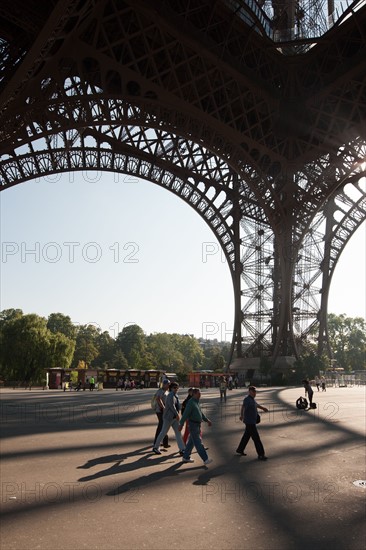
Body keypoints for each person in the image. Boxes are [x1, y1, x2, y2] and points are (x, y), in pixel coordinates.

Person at [179, 388, 212, 465]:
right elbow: (185, 414)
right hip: (193, 425)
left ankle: (185, 457)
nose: (200, 395)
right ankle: (205, 459)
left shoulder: (196, 402)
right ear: (194, 394)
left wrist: (207, 420)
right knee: (198, 442)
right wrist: (181, 424)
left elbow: (201, 413)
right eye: (198, 393)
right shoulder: (191, 403)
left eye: (200, 393)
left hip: (197, 424)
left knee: (191, 442)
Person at [236, 386, 268, 460]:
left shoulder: (252, 399)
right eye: (253, 391)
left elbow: (257, 405)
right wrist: (241, 415)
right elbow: (243, 407)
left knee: (246, 436)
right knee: (256, 438)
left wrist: (263, 408)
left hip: (252, 421)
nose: (254, 393)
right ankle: (261, 454)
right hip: (249, 422)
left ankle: (240, 449)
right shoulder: (247, 400)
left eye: (255, 391)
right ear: (249, 392)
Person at [153, 382, 185, 455]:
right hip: (168, 417)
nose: (176, 389)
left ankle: (182, 449)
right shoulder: (170, 395)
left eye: (177, 387)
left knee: (178, 433)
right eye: (174, 387)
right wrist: (177, 414)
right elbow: (171, 406)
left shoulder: (175, 395)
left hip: (174, 418)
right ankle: (156, 447)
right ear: (171, 388)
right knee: (163, 432)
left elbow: (177, 405)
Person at [153, 379, 170, 450]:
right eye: (168, 384)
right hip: (160, 410)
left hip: (164, 410)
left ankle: (164, 442)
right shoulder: (160, 391)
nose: (169, 385)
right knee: (161, 426)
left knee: (163, 425)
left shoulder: (167, 391)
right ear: (164, 384)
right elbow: (158, 399)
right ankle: (156, 442)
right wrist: (163, 407)